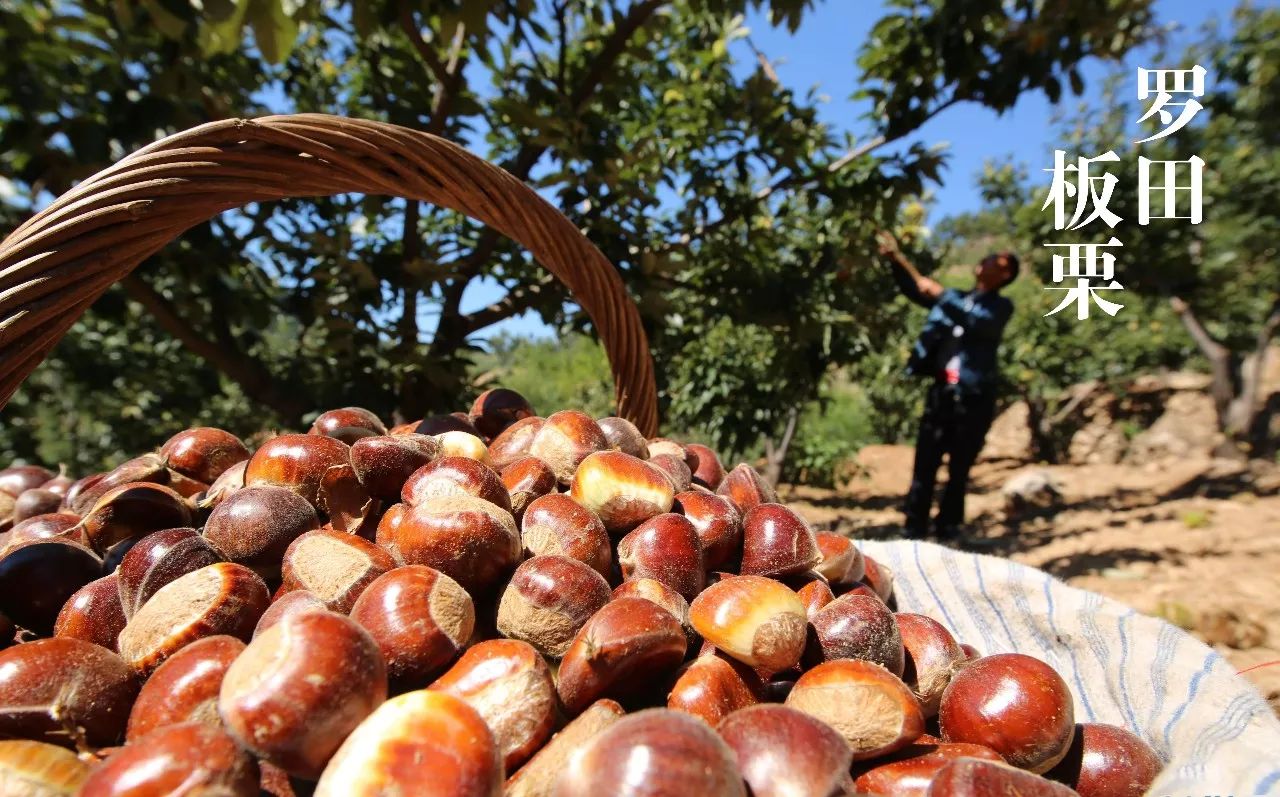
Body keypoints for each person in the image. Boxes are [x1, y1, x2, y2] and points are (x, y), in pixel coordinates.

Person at [876, 232, 1019, 543]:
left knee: (960, 466)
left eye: (997, 260)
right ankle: (914, 527)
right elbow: (916, 291)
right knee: (925, 461)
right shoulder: (956, 298)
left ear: (1005, 274)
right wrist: (894, 262)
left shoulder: (999, 307)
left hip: (973, 397)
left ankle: (949, 527)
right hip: (941, 393)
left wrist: (942, 295)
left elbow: (978, 324)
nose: (987, 260)